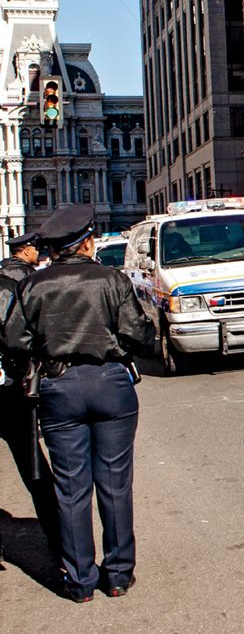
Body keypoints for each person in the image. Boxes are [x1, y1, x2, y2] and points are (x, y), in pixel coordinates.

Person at [3, 205, 156, 602]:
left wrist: (38, 358)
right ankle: (119, 575)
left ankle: (80, 581)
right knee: (115, 483)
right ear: (87, 241)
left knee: (71, 489)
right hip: (109, 382)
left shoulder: (33, 286)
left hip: (59, 386)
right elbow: (138, 334)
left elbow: (13, 341)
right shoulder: (111, 279)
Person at [1, 231, 60, 550]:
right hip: (16, 388)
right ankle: (58, 541)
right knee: (36, 470)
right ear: (26, 252)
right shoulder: (29, 283)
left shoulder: (1, 277)